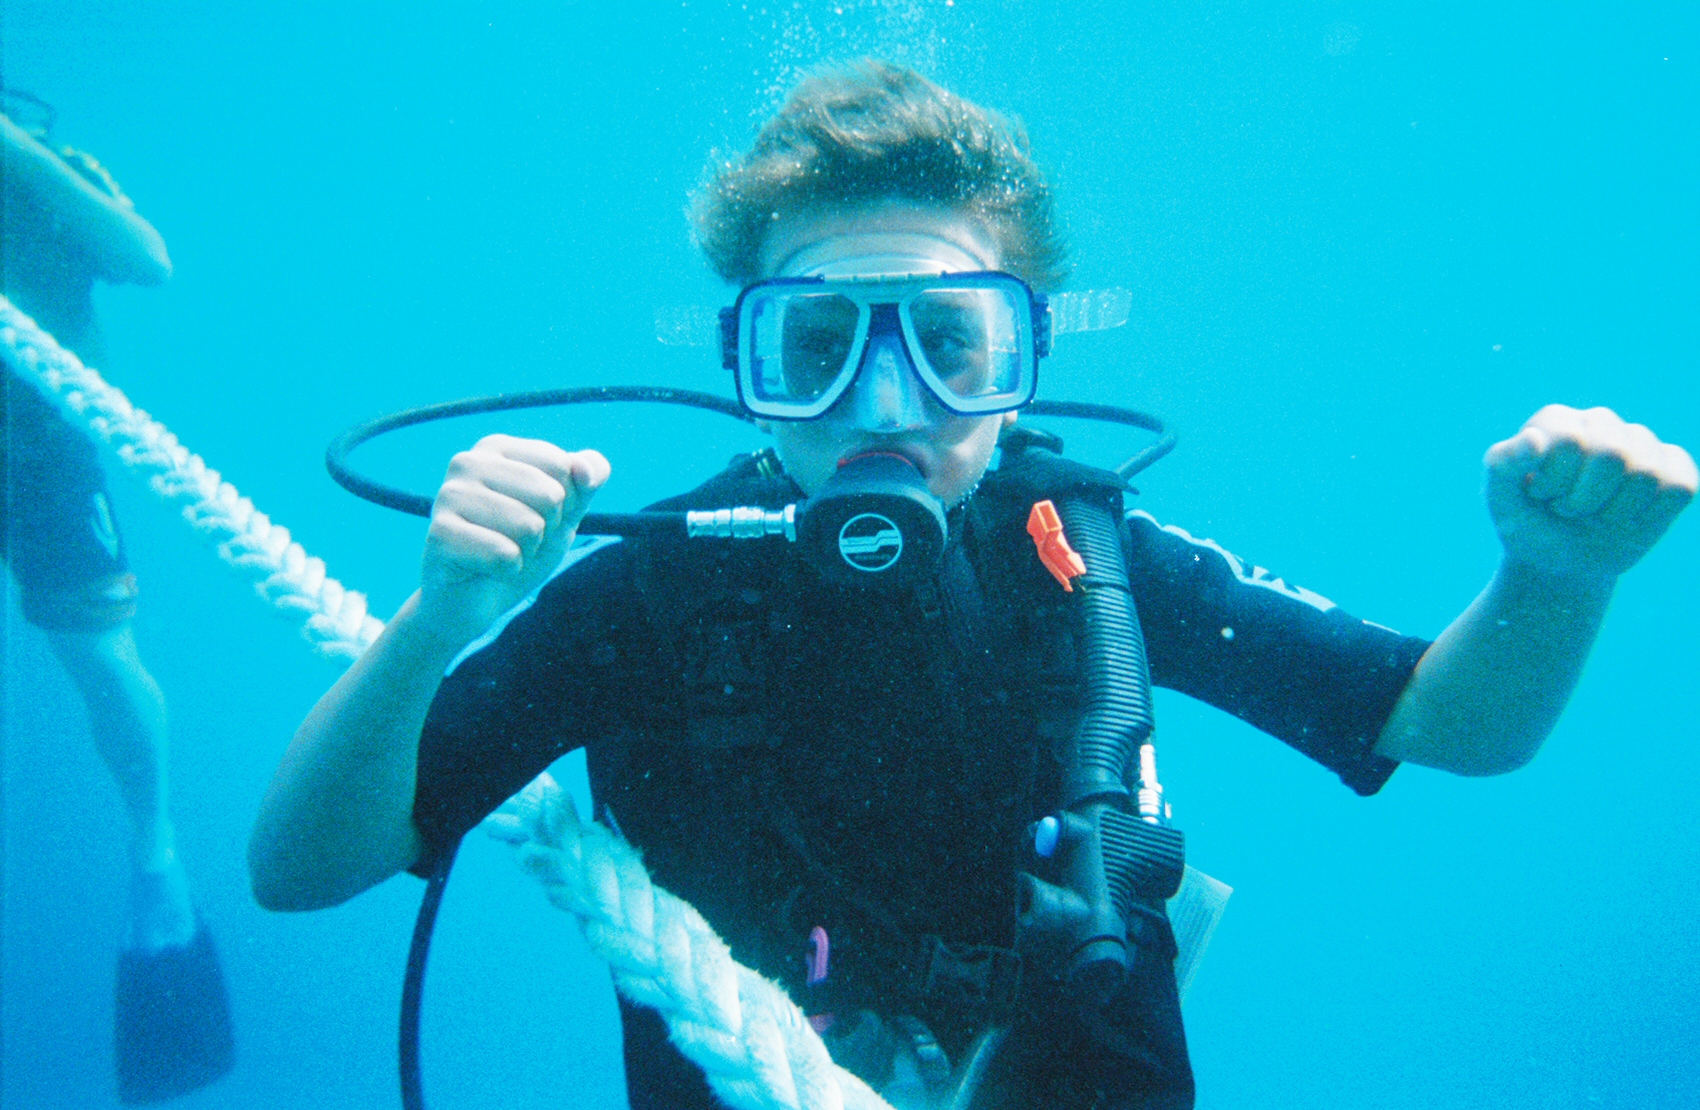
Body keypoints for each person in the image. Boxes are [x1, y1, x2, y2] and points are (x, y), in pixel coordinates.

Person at [247, 61, 1696, 1110]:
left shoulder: (1086, 552)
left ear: (1025, 370)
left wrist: (1555, 576)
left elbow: (1450, 721)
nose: (890, 399)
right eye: (816, 347)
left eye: (954, 342)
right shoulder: (656, 589)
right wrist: (436, 622)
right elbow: (302, 868)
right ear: (750, 377)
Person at [2, 97, 235, 1104]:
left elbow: (147, 259)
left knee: (102, 663)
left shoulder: (40, 151)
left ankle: (157, 858)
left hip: (37, 453)